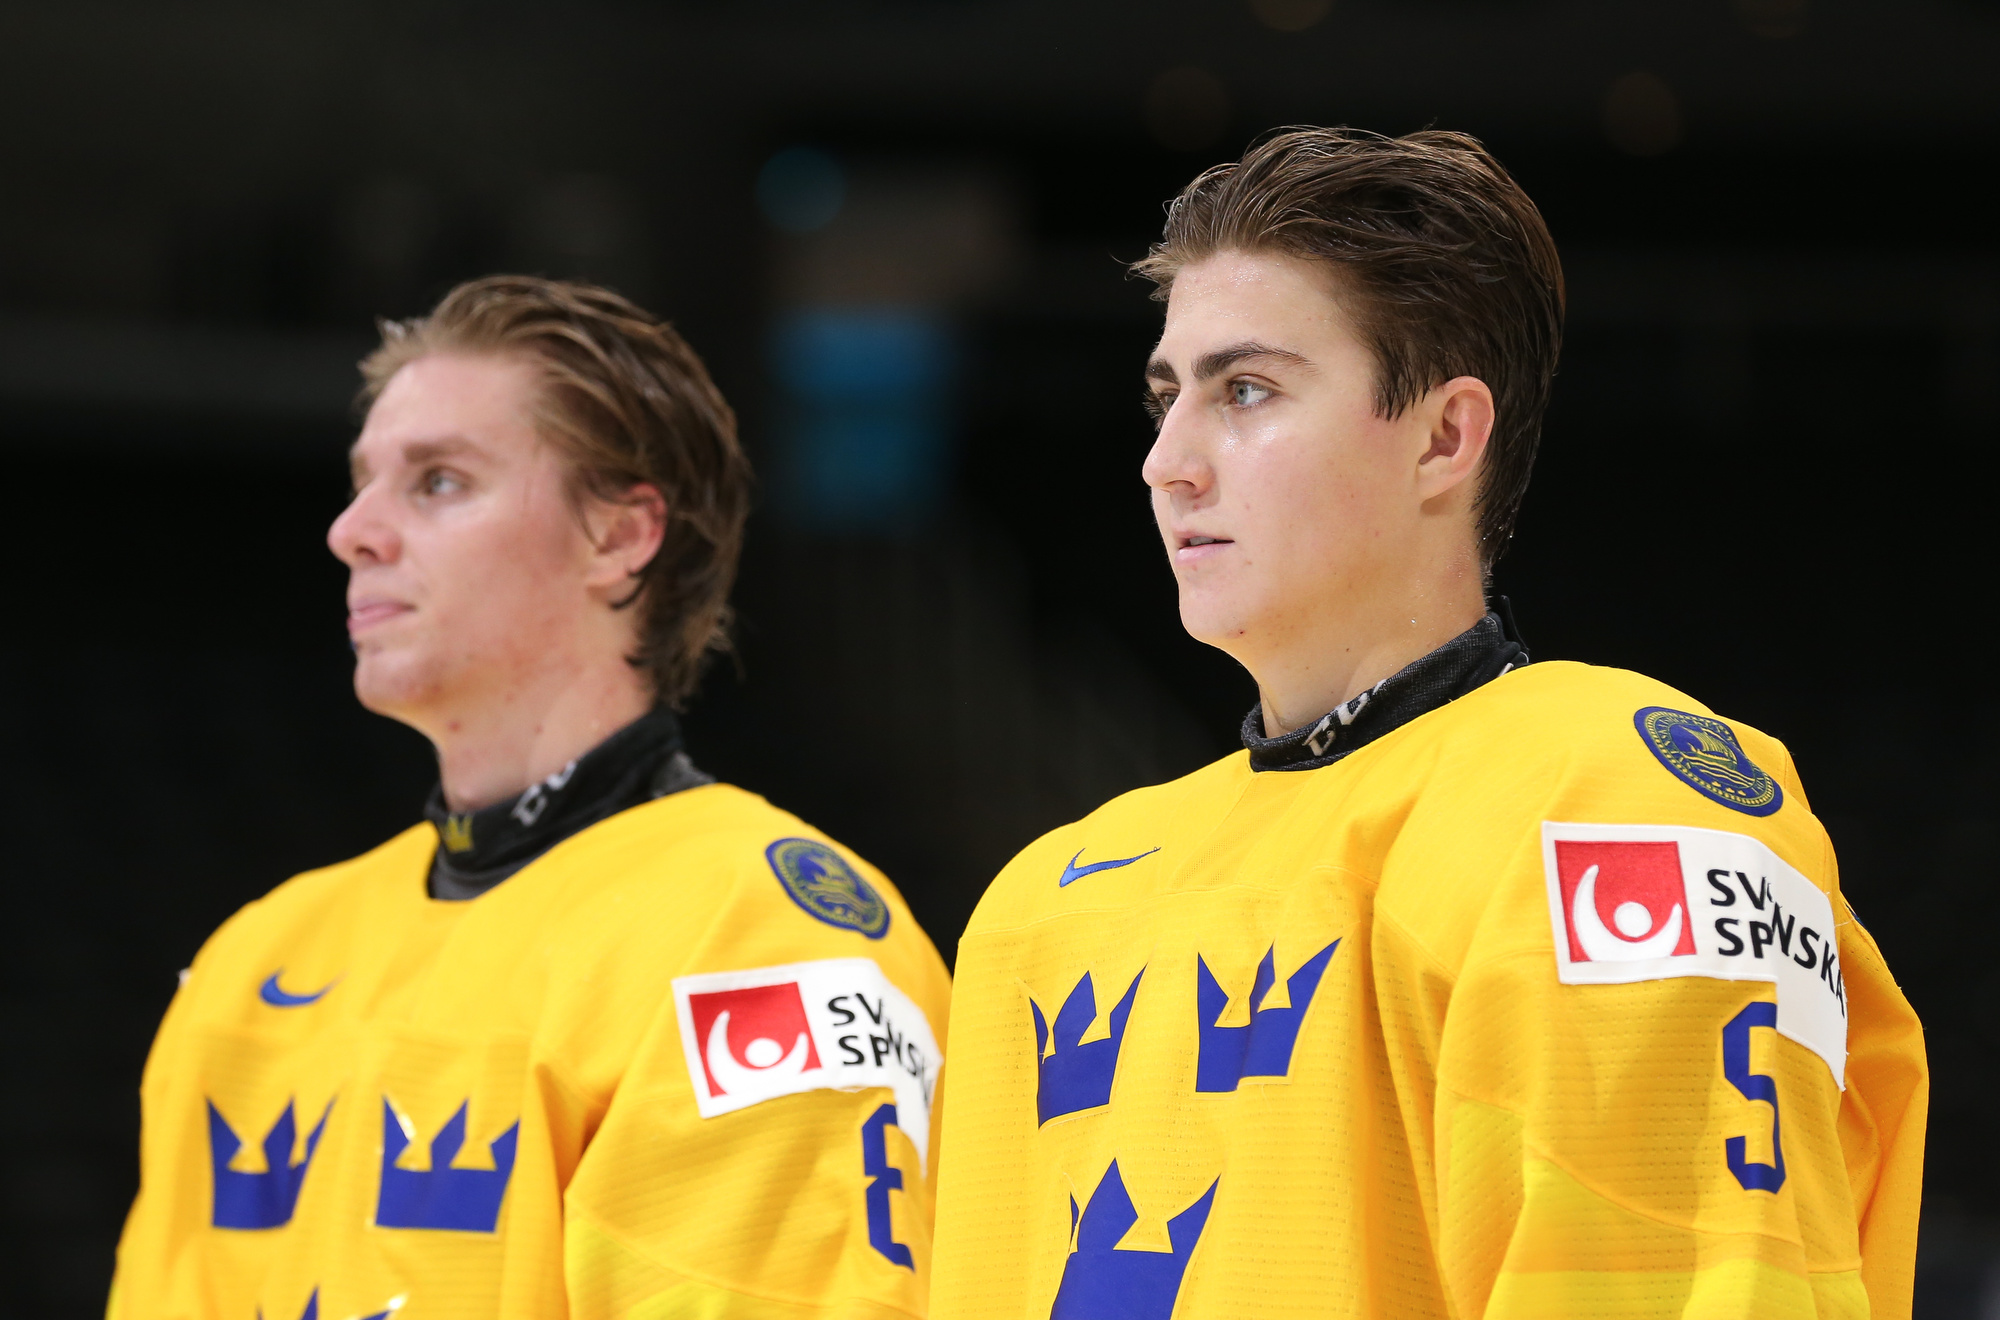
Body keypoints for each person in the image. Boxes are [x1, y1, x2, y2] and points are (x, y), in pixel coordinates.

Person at [928, 129, 1925, 1319]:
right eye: (1164, 397)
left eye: (1243, 391)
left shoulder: (1610, 807)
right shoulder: (1040, 903)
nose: (1166, 462)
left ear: (1443, 437)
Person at [109, 277, 951, 1320]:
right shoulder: (259, 957)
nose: (352, 531)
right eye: (362, 483)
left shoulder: (765, 936)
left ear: (619, 538)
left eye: (439, 482)